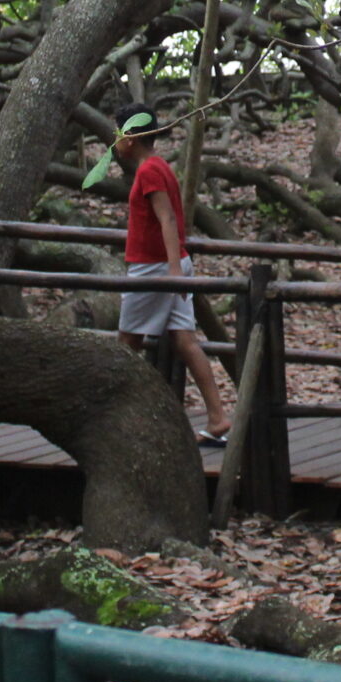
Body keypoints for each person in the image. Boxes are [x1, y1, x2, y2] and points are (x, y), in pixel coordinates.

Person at [113, 104, 231, 445]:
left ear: (131, 137)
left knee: (126, 344)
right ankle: (217, 416)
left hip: (156, 268)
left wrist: (174, 271)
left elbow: (166, 219)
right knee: (184, 340)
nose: (115, 141)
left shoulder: (150, 171)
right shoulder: (158, 166)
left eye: (119, 133)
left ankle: (113, 417)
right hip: (167, 263)